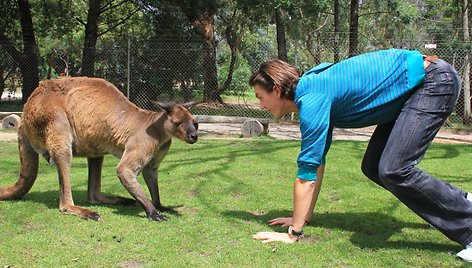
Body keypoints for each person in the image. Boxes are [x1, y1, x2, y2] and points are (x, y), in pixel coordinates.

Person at [249, 48, 472, 262]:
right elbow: (316, 165)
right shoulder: (312, 91)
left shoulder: (312, 98)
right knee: (374, 166)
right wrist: (301, 218)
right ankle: (461, 202)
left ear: (276, 90)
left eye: (260, 97)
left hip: (431, 82)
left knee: (394, 169)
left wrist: (293, 234)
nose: (260, 105)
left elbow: (305, 175)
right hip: (413, 90)